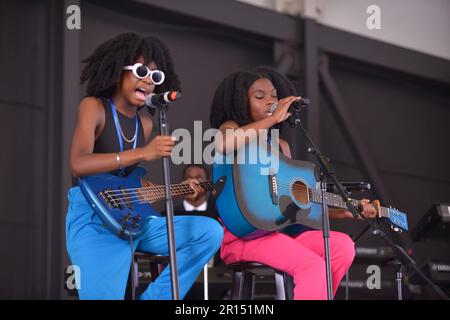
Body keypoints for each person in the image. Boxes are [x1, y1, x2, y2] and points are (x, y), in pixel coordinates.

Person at [66, 32, 223, 300]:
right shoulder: (93, 107)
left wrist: (177, 190)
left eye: (155, 76)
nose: (148, 81)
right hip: (94, 222)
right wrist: (143, 152)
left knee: (209, 232)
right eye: (141, 71)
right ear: (118, 72)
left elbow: (130, 186)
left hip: (133, 220)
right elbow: (78, 164)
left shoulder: (146, 123)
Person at [209, 66, 377, 300]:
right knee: (313, 265)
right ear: (240, 102)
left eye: (274, 96)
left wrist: (346, 212)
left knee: (342, 246)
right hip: (243, 235)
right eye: (260, 96)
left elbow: (297, 206)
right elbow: (223, 144)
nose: (270, 101)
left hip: (279, 231)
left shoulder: (280, 147)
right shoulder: (231, 128)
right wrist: (274, 119)